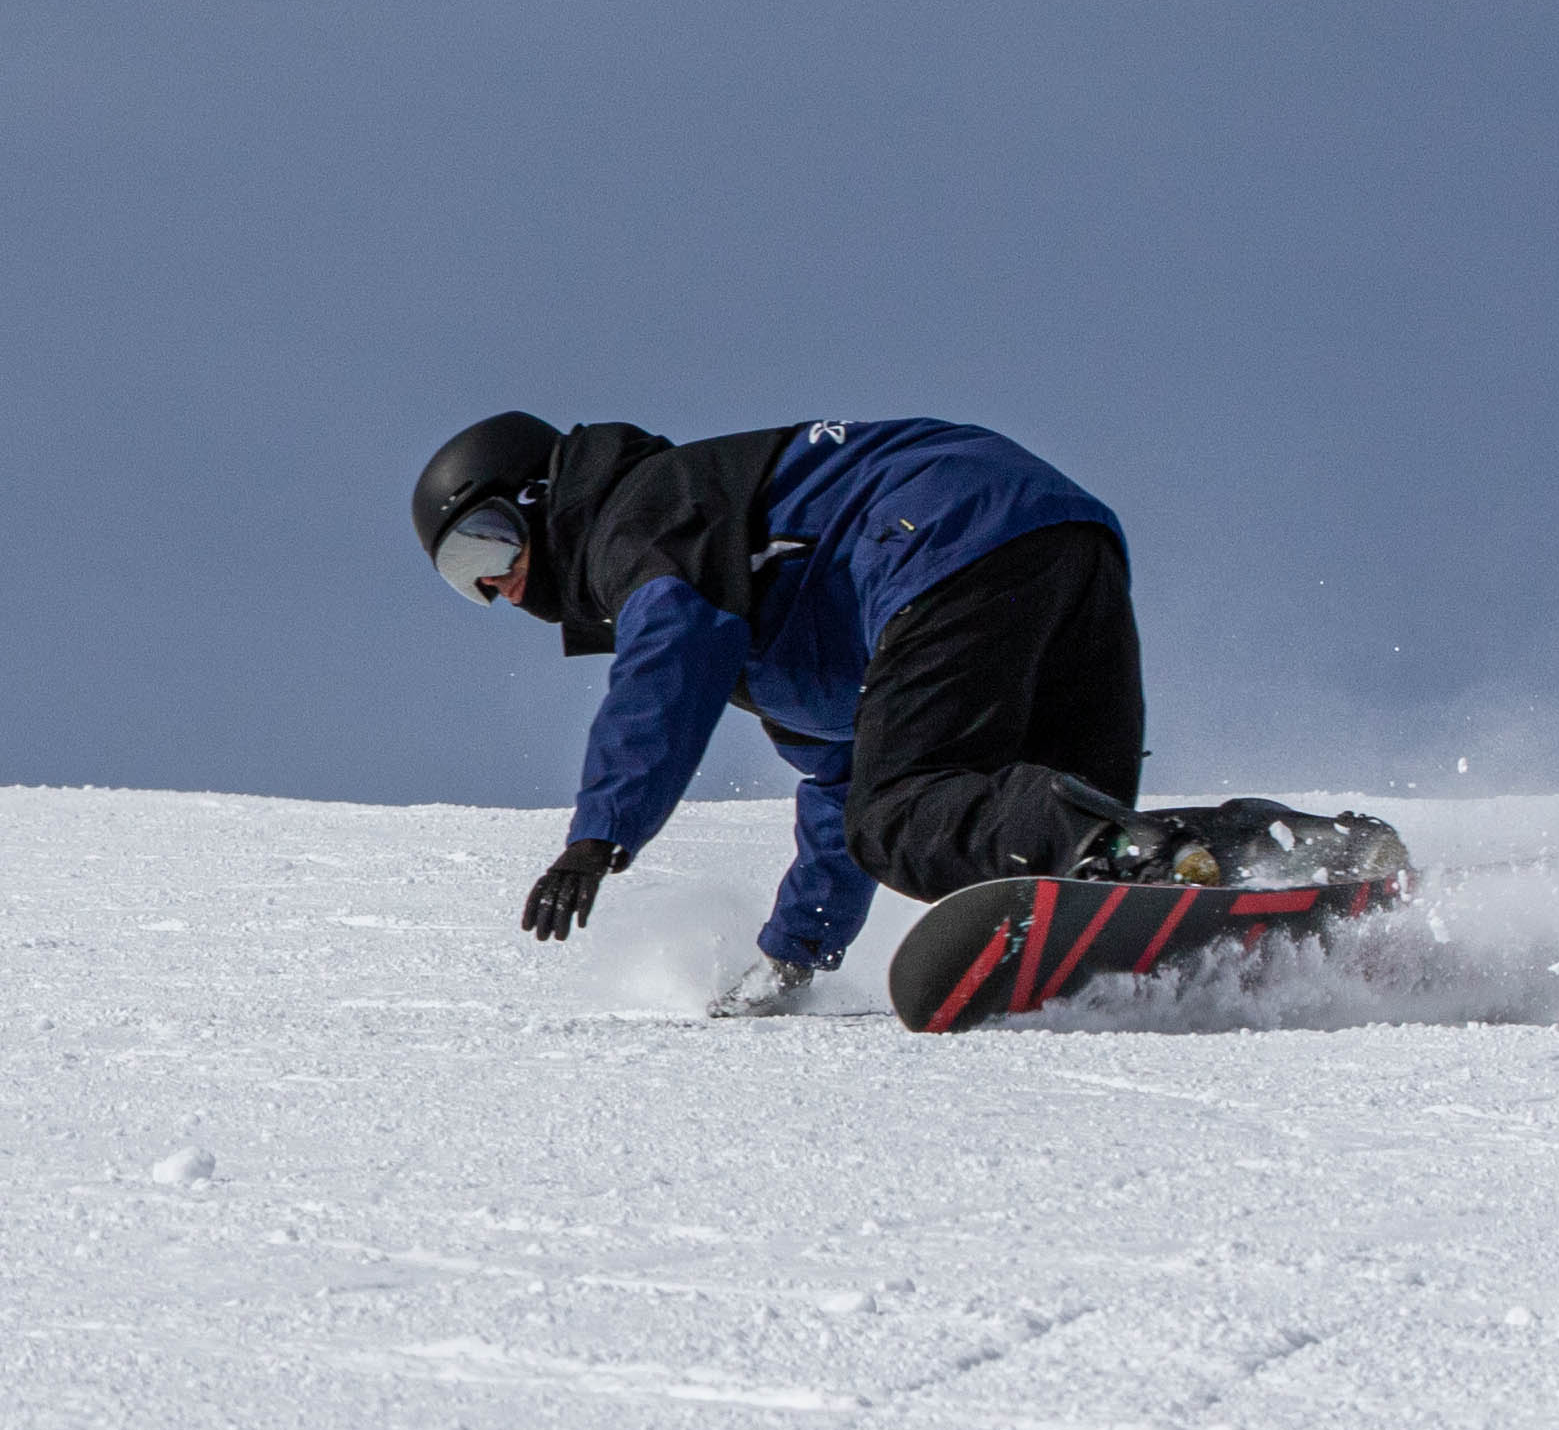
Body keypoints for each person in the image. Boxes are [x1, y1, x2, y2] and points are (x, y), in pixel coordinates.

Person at [408, 413, 1378, 1016]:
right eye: (468, 582)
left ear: (538, 499)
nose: (500, 586)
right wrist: (791, 961)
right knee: (1051, 840)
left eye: (487, 545)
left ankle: (1130, 853)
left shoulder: (643, 517)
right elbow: (844, 787)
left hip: (942, 540)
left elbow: (666, 658)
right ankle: (1285, 850)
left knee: (922, 817)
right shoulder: (772, 610)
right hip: (1058, 541)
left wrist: (599, 835)